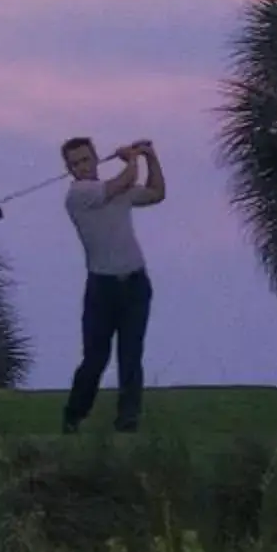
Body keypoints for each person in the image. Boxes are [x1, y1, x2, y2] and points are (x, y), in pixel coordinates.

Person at [60, 135, 163, 432]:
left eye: (85, 159)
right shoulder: (78, 195)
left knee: (131, 356)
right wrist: (131, 157)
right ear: (69, 169)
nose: (82, 166)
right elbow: (122, 181)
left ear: (95, 158)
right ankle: (74, 415)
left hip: (135, 283)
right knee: (95, 358)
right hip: (101, 289)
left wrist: (150, 157)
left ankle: (128, 420)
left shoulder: (117, 190)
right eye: (75, 163)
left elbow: (157, 193)